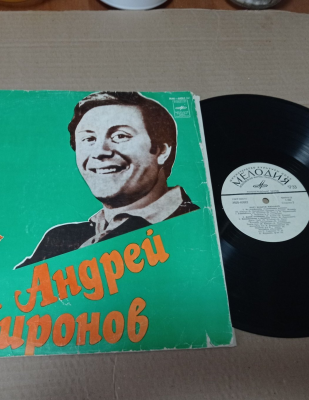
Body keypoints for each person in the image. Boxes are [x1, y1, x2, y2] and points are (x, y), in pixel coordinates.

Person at [15, 91, 199, 268]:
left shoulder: (195, 227)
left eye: (120, 136)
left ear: (162, 151)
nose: (100, 151)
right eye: (89, 139)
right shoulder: (59, 239)